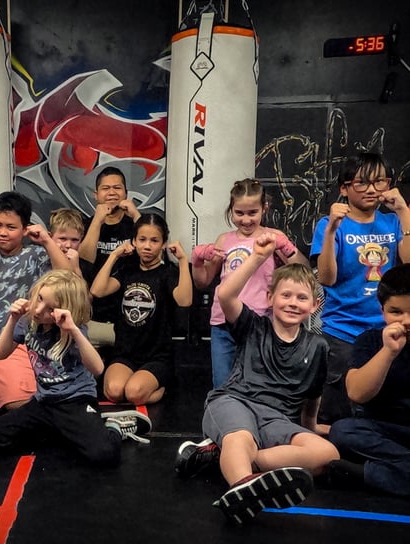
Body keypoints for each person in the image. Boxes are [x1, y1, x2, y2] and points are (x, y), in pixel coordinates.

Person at [175, 233, 339, 524]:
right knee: (240, 438)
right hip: (235, 402)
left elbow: (313, 393)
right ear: (269, 298)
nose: (292, 303)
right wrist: (258, 258)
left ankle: (226, 458)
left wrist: (312, 427)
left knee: (326, 454)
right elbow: (225, 295)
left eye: (301, 298)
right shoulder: (253, 326)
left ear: (314, 306)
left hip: (277, 420)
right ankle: (242, 485)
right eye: (285, 295)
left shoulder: (317, 346)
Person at [0, 269, 151, 464]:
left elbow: (97, 369)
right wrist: (12, 319)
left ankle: (113, 425)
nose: (38, 310)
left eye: (50, 309)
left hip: (75, 401)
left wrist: (73, 330)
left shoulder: (72, 330)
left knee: (105, 454)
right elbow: (1, 353)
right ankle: (60, 431)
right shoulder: (29, 321)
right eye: (40, 299)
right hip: (43, 402)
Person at [310, 152, 410, 425]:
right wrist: (331, 229)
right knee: (339, 411)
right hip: (342, 331)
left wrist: (404, 211)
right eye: (362, 183)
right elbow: (327, 279)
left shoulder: (392, 222)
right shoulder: (329, 225)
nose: (372, 190)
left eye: (380, 182)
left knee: (382, 406)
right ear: (344, 188)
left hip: (385, 328)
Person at [0, 191, 70, 411]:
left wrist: (47, 241)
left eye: (11, 227)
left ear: (25, 229)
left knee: (21, 404)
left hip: (13, 344)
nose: (3, 233)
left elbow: (67, 277)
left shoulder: (36, 255)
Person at [191, 178, 309, 389]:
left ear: (264, 208)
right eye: (239, 213)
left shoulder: (273, 237)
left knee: (259, 384)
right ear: (231, 210)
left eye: (252, 213)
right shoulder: (224, 240)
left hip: (260, 320)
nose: (246, 220)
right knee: (223, 385)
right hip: (223, 322)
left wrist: (287, 247)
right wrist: (197, 261)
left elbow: (304, 270)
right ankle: (225, 420)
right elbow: (203, 282)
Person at [90, 213, 193, 405]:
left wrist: (182, 260)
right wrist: (114, 255)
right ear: (134, 241)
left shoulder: (168, 274)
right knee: (113, 391)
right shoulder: (127, 270)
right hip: (125, 352)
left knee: (134, 394)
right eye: (142, 239)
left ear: (163, 244)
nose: (147, 246)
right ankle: (139, 383)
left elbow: (185, 300)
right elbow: (97, 290)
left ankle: (163, 386)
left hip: (157, 356)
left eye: (154, 241)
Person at [328, 264, 410, 496]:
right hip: (384, 433)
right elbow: (356, 393)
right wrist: (388, 351)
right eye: (396, 312)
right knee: (343, 431)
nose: (406, 320)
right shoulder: (371, 341)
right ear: (382, 310)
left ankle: (369, 475)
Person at [78, 166, 141, 349]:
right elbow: (84, 260)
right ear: (96, 195)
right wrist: (98, 220)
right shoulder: (86, 224)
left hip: (128, 311)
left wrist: (136, 215)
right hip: (92, 312)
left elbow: (152, 253)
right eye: (106, 189)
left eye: (117, 188)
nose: (112, 193)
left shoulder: (136, 223)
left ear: (126, 193)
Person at [49, 207, 86, 278]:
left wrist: (76, 268)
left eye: (75, 240)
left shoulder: (82, 265)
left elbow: (80, 289)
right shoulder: (40, 258)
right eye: (63, 239)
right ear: (50, 237)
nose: (68, 245)